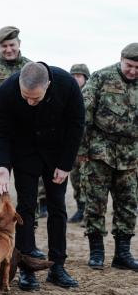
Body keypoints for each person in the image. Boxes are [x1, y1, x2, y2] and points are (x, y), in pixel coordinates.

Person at [0, 62, 85, 290]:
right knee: (25, 208)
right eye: (25, 97)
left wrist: (65, 164)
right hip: (25, 152)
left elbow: (76, 125)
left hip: (56, 153)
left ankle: (57, 267)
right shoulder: (6, 90)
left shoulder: (67, 85)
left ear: (48, 86)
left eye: (35, 98)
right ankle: (27, 268)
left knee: (57, 208)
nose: (30, 102)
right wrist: (3, 165)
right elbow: (0, 131)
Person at [0, 26, 46, 258]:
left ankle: (27, 246)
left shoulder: (34, 69)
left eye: (11, 45)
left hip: (27, 144)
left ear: (19, 43)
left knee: (28, 197)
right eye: (4, 46)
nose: (8, 49)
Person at [78, 43, 138, 271]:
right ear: (121, 59)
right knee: (95, 203)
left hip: (130, 155)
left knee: (128, 205)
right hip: (99, 151)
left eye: (137, 68)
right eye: (129, 65)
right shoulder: (102, 77)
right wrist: (82, 150)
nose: (133, 71)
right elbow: (83, 115)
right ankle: (97, 253)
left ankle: (122, 254)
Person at [68, 64, 90, 223]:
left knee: (88, 180)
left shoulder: (91, 94)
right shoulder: (67, 95)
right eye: (73, 75)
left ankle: (88, 213)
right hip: (73, 147)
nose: (76, 78)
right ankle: (80, 209)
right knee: (75, 179)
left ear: (86, 78)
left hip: (88, 147)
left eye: (79, 75)